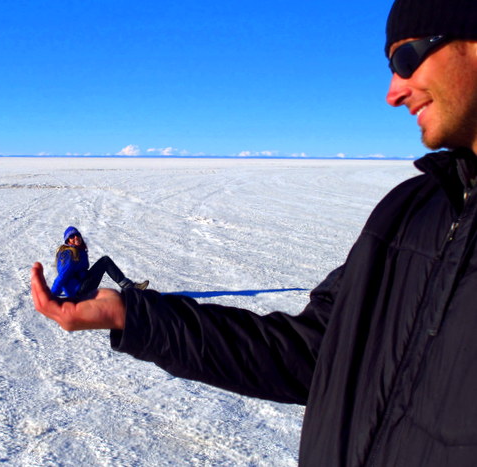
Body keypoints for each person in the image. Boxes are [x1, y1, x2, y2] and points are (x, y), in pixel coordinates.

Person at [31, 0, 477, 464]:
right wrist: (132, 316)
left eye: (408, 59)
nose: (393, 92)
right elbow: (310, 351)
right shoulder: (408, 215)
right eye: (390, 66)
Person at [50, 226, 148, 298]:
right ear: (68, 241)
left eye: (77, 235)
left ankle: (129, 288)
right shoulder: (68, 254)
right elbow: (62, 275)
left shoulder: (79, 250)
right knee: (105, 261)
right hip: (78, 291)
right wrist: (52, 295)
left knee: (104, 262)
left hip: (81, 285)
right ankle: (130, 288)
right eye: (72, 236)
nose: (76, 237)